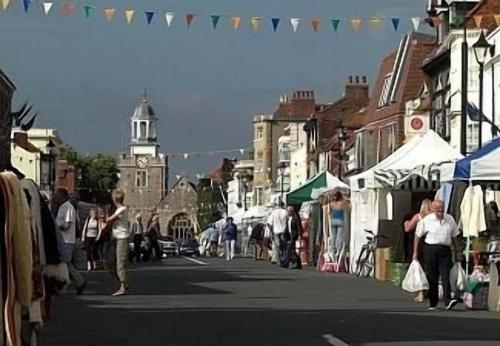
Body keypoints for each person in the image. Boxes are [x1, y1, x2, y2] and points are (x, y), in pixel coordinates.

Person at [413, 200, 461, 311]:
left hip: (445, 249)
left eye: (442, 210)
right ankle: (433, 302)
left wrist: (458, 251)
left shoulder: (449, 219)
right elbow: (417, 235)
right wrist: (415, 252)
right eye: (438, 211)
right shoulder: (427, 220)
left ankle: (447, 300)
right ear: (433, 210)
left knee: (446, 274)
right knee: (432, 275)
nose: (441, 213)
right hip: (430, 248)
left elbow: (454, 236)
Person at [54, 188, 86, 295]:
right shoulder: (62, 207)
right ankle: (73, 282)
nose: (55, 198)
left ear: (62, 196)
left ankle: (79, 281)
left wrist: (56, 225)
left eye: (57, 196)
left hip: (66, 240)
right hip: (63, 239)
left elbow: (67, 225)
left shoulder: (68, 207)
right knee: (64, 263)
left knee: (65, 263)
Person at [404, 199, 432, 302]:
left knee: (419, 269)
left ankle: (420, 293)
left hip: (419, 244)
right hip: (430, 244)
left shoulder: (418, 217)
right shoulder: (433, 218)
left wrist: (406, 222)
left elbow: (408, 228)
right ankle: (427, 292)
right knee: (428, 268)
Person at [106, 189, 130, 296]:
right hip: (115, 238)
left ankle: (123, 286)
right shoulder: (117, 209)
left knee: (120, 263)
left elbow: (109, 220)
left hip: (122, 238)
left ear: (115, 198)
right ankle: (121, 282)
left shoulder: (122, 209)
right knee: (109, 262)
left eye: (112, 197)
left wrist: (105, 214)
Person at [329, 192, 349, 262]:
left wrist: (333, 200)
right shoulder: (342, 203)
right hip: (340, 220)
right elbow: (348, 202)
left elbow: (330, 211)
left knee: (333, 236)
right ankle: (338, 250)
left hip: (333, 221)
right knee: (339, 236)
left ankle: (332, 249)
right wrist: (344, 197)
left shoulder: (332, 204)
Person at [268, 201, 289, 266]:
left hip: (276, 231)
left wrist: (271, 232)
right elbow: (288, 221)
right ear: (283, 205)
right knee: (284, 246)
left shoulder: (274, 212)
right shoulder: (285, 212)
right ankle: (284, 259)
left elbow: (270, 223)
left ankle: (279, 261)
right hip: (283, 231)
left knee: (277, 247)